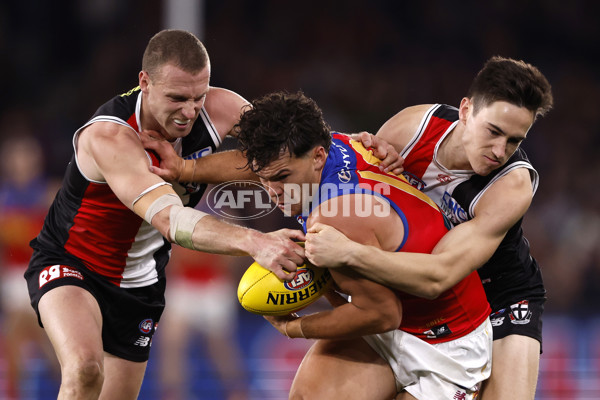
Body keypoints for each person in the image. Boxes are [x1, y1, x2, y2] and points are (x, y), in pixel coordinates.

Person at [24, 29, 307, 400]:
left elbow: (297, 147)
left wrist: (362, 149)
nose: (189, 112)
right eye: (176, 98)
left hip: (141, 282)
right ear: (145, 83)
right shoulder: (110, 137)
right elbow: (170, 220)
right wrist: (255, 241)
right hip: (74, 264)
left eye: (198, 97)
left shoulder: (219, 109)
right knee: (85, 368)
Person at [303, 56, 553, 400]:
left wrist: (348, 253)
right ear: (465, 110)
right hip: (417, 289)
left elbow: (437, 275)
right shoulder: (413, 128)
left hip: (500, 296)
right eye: (493, 131)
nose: (500, 151)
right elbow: (356, 192)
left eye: (514, 141)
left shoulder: (510, 186)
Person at [234, 91, 493, 399]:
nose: (273, 192)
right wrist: (186, 170)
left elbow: (383, 314)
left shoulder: (336, 215)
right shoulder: (340, 143)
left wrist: (295, 328)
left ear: (317, 157)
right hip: (391, 325)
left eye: (282, 177)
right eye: (263, 180)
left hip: (447, 343)